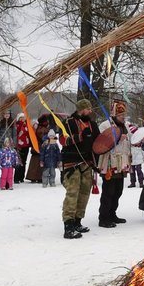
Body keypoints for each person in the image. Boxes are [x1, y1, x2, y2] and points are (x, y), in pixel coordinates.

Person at [61, 100, 99, 237]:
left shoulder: (93, 124)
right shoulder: (68, 122)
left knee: (84, 193)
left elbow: (98, 143)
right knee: (73, 193)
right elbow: (63, 140)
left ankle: (78, 221)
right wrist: (80, 137)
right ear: (81, 110)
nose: (90, 111)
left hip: (87, 163)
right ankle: (68, 225)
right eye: (88, 109)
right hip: (72, 162)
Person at [97, 102, 131, 228]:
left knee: (118, 191)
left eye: (124, 114)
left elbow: (129, 142)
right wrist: (117, 139)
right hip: (110, 163)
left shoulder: (126, 125)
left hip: (122, 162)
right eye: (120, 114)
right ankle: (104, 217)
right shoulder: (105, 125)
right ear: (114, 114)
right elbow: (101, 143)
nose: (123, 116)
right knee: (108, 191)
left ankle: (112, 214)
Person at [15, 113, 29, 183]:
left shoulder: (27, 125)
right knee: (18, 162)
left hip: (26, 145)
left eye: (23, 117)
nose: (22, 119)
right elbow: (16, 133)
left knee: (24, 162)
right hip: (19, 145)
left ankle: (21, 177)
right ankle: (16, 178)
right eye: (21, 117)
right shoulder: (17, 125)